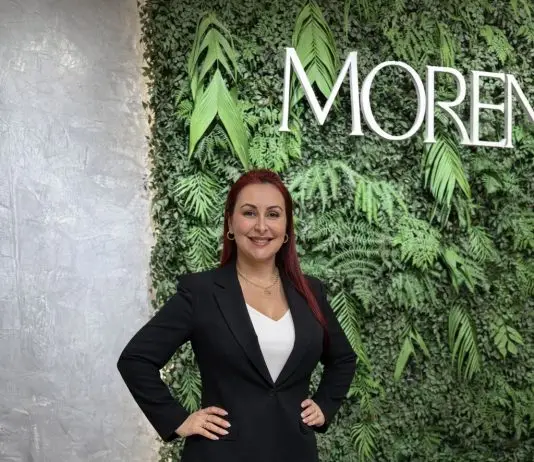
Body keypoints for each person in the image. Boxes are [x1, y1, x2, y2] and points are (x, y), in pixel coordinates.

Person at [117, 168, 357, 462]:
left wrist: (325, 404)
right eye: (249, 213)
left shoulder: (310, 292)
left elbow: (343, 359)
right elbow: (136, 359)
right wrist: (177, 420)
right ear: (230, 222)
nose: (261, 226)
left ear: (286, 227)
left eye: (273, 214)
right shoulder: (201, 293)